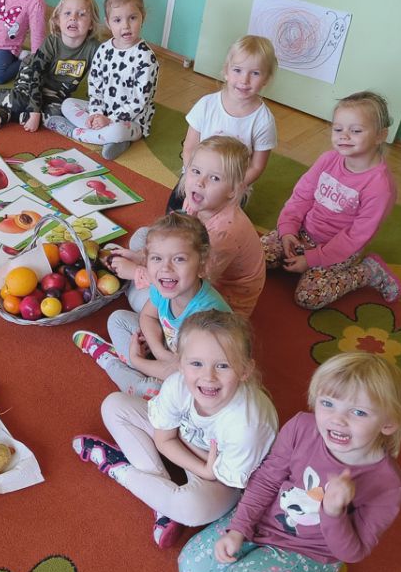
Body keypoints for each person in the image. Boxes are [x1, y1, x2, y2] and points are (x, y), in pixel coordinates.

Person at [178, 352, 401, 572]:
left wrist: (333, 513)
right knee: (191, 571)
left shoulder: (388, 485)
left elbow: (352, 552)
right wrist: (239, 528)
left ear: (388, 423)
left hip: (309, 553)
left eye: (358, 412)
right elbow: (266, 480)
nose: (337, 419)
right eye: (327, 403)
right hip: (262, 523)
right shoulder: (301, 427)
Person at [74, 311, 277, 548]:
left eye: (223, 365)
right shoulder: (177, 384)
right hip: (204, 457)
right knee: (113, 405)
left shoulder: (247, 426)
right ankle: (162, 505)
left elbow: (226, 478)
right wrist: (201, 464)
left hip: (226, 479)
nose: (208, 377)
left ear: (245, 371)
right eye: (196, 363)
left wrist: (180, 439)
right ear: (180, 363)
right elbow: (165, 440)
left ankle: (118, 468)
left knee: (192, 508)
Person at [261, 90, 401, 309]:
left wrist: (313, 259)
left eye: (356, 130)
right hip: (302, 233)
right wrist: (288, 230)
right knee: (252, 257)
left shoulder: (380, 187)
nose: (344, 136)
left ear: (380, 135)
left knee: (309, 297)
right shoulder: (328, 159)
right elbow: (301, 196)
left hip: (338, 249)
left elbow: (356, 236)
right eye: (338, 129)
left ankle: (369, 271)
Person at [75, 212, 229, 398]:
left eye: (179, 259)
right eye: (157, 258)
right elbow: (148, 316)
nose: (165, 268)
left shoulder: (206, 317)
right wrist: (158, 349)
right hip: (170, 354)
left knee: (161, 384)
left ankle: (122, 369)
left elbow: (189, 374)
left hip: (193, 378)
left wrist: (138, 360)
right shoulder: (165, 285)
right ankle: (144, 377)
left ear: (202, 265)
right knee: (117, 320)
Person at [0, 0, 103, 131]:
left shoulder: (95, 49)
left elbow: (100, 81)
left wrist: (101, 111)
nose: (73, 18)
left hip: (57, 93)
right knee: (23, 100)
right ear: (58, 19)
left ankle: (8, 113)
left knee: (57, 116)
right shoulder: (52, 43)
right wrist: (35, 111)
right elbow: (36, 75)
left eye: (81, 14)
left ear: (91, 23)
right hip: (32, 77)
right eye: (68, 13)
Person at [45, 0, 158, 160]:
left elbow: (139, 101)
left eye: (132, 18)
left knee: (118, 131)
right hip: (103, 112)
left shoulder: (146, 57)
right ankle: (104, 136)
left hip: (131, 121)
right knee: (67, 104)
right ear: (108, 23)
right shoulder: (104, 49)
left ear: (142, 17)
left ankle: (75, 132)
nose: (125, 26)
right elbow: (95, 85)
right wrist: (96, 113)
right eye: (117, 20)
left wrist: (110, 120)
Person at [167, 35, 277, 211]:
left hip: (231, 187)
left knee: (221, 223)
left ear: (266, 79)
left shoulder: (263, 120)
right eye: (237, 70)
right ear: (226, 71)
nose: (244, 80)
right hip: (196, 177)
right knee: (174, 213)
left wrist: (232, 188)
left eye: (255, 73)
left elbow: (257, 166)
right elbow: (189, 148)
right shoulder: (207, 105)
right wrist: (191, 177)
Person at [180, 136, 266, 315]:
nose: (200, 182)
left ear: (233, 190)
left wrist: (139, 271)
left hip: (223, 304)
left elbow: (193, 281)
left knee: (141, 300)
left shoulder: (222, 233)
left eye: (214, 178)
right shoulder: (195, 201)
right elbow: (179, 235)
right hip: (196, 265)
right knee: (144, 237)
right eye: (196, 171)